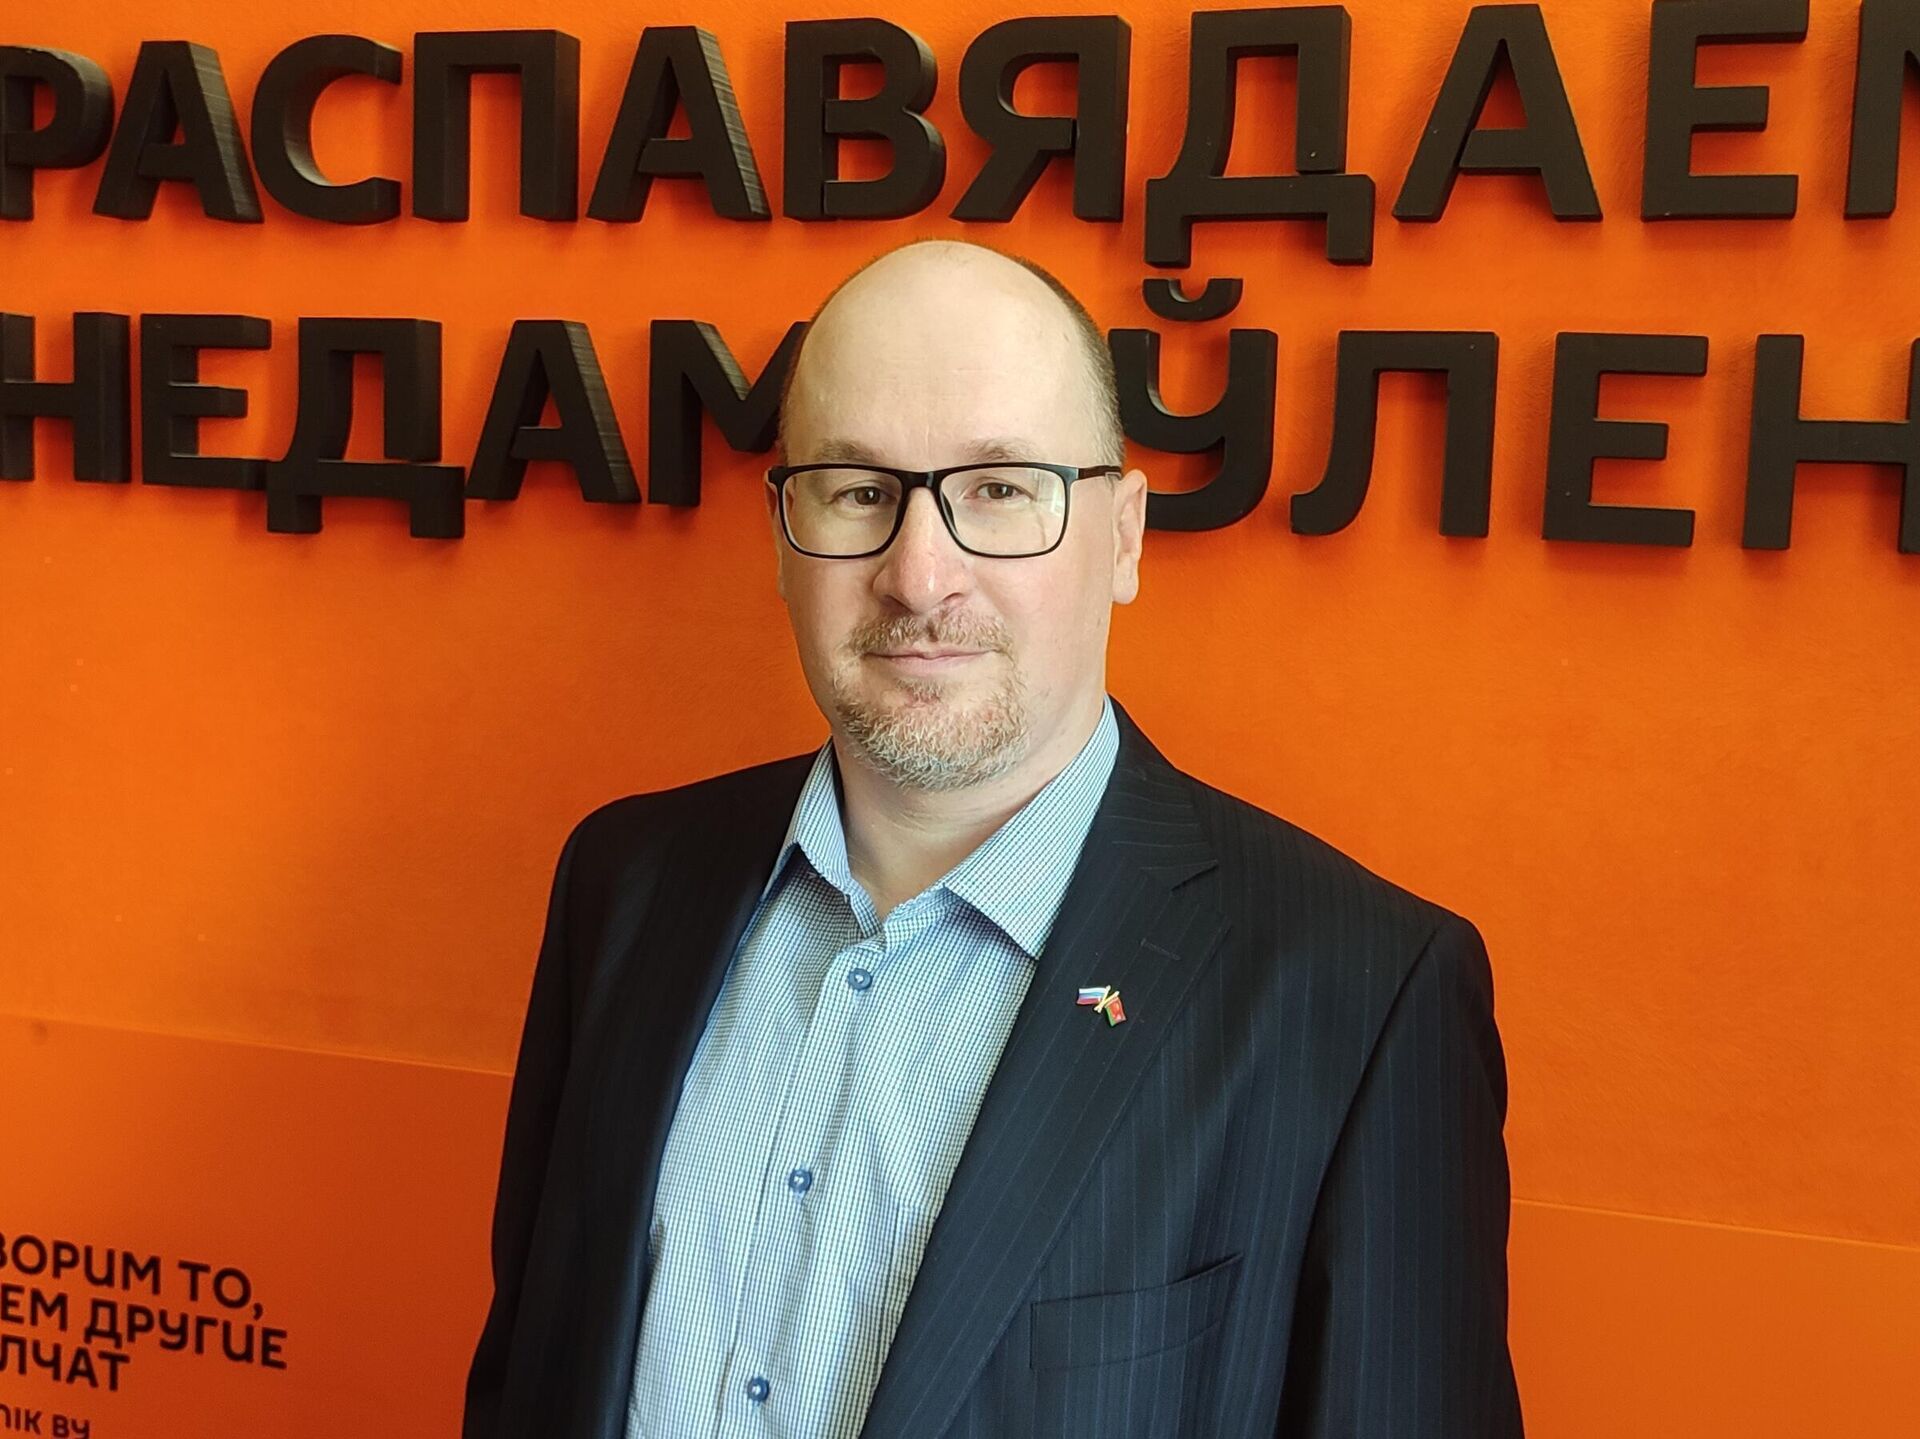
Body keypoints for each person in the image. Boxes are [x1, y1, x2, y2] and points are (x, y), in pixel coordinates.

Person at [462, 238, 1523, 1439]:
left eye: (1001, 489)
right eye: (859, 491)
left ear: (1124, 536)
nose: (921, 577)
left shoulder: (1360, 993)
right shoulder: (626, 882)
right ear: (782, 533)